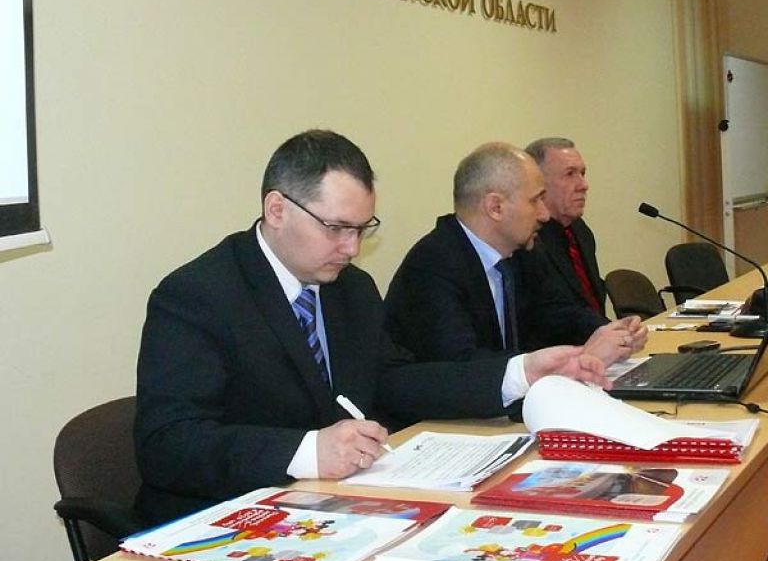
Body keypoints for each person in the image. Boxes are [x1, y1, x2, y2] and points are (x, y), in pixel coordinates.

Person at [134, 130, 607, 526]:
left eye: (362, 229)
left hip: (335, 510)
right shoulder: (198, 295)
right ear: (277, 210)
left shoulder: (350, 289)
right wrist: (306, 450)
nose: (353, 249)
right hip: (227, 519)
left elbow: (394, 380)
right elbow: (167, 444)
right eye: (336, 228)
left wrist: (520, 373)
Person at [384, 142, 645, 367]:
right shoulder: (432, 267)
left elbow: (556, 313)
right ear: (495, 207)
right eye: (535, 201)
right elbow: (462, 366)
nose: (544, 214)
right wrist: (583, 358)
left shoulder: (521, 252)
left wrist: (612, 332)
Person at [524, 137, 606, 315]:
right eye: (570, 174)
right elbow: (551, 313)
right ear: (538, 183)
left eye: (582, 173)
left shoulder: (580, 231)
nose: (583, 185)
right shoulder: (528, 241)